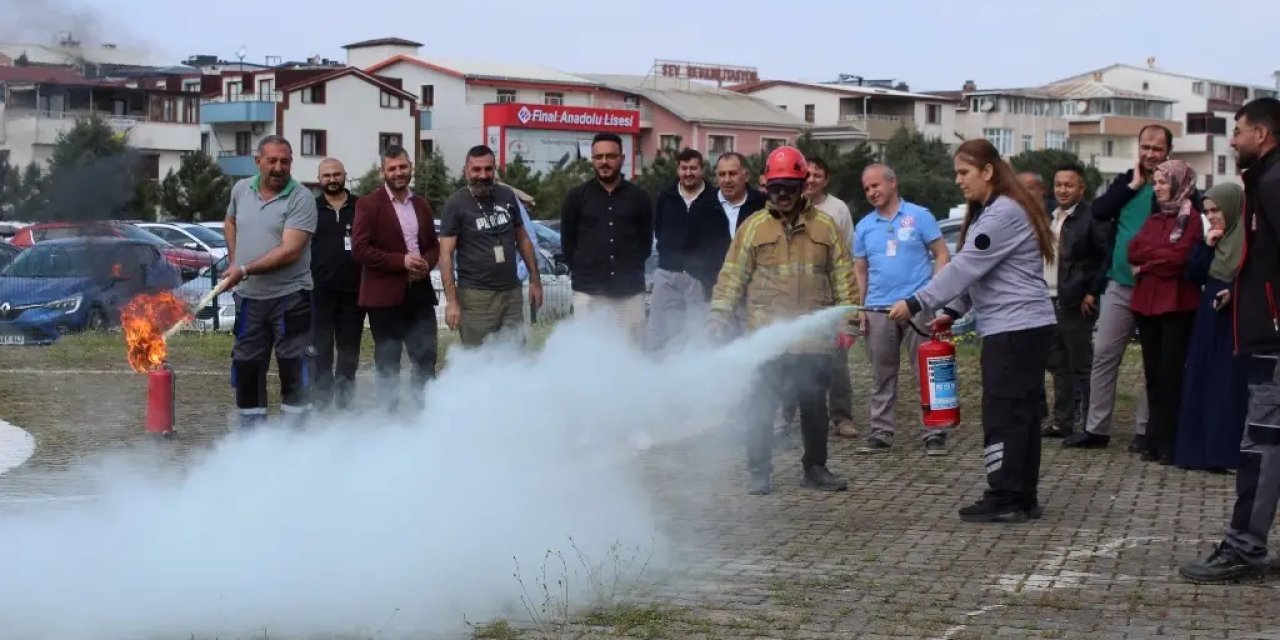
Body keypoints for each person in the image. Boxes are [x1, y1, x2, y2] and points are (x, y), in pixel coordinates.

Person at [888, 139, 1056, 523]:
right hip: (1024, 327)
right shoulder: (997, 211)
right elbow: (983, 276)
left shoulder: (1002, 214)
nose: (959, 182)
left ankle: (1006, 496)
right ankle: (1022, 496)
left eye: (964, 173)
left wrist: (916, 302)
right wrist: (951, 310)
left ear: (988, 171)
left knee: (1006, 413)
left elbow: (964, 267)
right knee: (1022, 414)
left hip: (1015, 330)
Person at [707, 145, 856, 496]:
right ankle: (759, 471)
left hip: (814, 339)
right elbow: (731, 277)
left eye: (790, 186)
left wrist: (849, 323)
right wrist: (718, 316)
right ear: (766, 187)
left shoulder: (827, 227)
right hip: (767, 339)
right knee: (761, 405)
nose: (783, 194)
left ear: (804, 184)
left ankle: (815, 468)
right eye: (776, 188)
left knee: (814, 406)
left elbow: (844, 278)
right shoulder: (753, 228)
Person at [1180, 97, 1280, 584]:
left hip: (1274, 340)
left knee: (1260, 443)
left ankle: (1244, 546)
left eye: (1238, 131)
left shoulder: (1275, 182)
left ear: (1262, 134)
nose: (1234, 140)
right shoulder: (1263, 181)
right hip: (1266, 333)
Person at [1063, 126, 1172, 451]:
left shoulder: (1177, 182)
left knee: (1152, 361)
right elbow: (1099, 211)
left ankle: (1145, 431)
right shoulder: (1126, 180)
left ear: (1168, 151)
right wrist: (1133, 185)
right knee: (1105, 355)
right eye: (1145, 147)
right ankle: (1096, 429)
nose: (1150, 154)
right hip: (1120, 283)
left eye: (1157, 148)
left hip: (1157, 287)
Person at [221, 135, 318, 428]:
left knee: (294, 364)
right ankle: (252, 436)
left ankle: (295, 437)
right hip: (249, 298)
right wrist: (234, 259)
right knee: (247, 365)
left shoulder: (301, 198)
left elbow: (290, 250)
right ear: (258, 162)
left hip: (291, 297)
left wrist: (245, 269)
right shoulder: (241, 189)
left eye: (285, 161)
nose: (278, 167)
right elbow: (231, 220)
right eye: (272, 160)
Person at [853, 163, 951, 453]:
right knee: (882, 373)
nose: (872, 192)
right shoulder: (864, 226)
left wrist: (930, 295)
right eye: (867, 188)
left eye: (876, 185)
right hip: (878, 309)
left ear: (892, 183)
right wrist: (861, 308)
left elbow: (942, 254)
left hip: (917, 308)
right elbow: (860, 270)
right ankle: (881, 431)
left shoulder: (919, 216)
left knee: (926, 370)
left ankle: (935, 431)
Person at [351, 145, 440, 411]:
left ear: (410, 166)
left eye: (403, 167)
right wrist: (400, 261)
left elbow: (434, 246)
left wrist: (426, 264)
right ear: (383, 172)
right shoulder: (368, 205)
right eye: (392, 168)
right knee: (388, 361)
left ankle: (423, 413)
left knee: (426, 358)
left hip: (419, 293)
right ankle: (389, 420)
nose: (398, 172)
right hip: (384, 296)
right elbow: (360, 249)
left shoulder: (421, 204)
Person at [1127, 159, 1203, 464]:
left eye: (1162, 182)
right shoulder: (1155, 219)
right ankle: (1154, 438)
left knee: (1172, 375)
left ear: (1179, 183)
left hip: (1176, 305)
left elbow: (1180, 259)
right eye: (1155, 182)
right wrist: (1155, 258)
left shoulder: (1192, 219)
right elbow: (1132, 250)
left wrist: (1146, 264)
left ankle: (1169, 441)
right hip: (1147, 305)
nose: (1157, 187)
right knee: (1153, 375)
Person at [1175, 182, 1248, 471]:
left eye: (1217, 210)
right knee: (1202, 377)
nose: (1213, 216)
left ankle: (1224, 453)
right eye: (1207, 211)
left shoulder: (1249, 239)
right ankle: (1198, 452)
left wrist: (1234, 291)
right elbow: (1193, 273)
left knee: (1227, 383)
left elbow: (1255, 276)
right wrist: (1207, 244)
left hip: (1236, 318)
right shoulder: (1216, 239)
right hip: (1210, 316)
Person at [439, 145, 542, 347]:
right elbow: (445, 256)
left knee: (514, 355)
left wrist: (535, 281)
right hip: (476, 298)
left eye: (488, 169)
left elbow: (523, 240)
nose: (483, 175)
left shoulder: (507, 196)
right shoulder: (455, 204)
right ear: (466, 171)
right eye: (476, 169)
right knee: (478, 360)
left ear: (495, 169)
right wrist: (451, 301)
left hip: (511, 293)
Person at [560, 132, 653, 343]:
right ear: (592, 160)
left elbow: (645, 244)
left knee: (632, 355)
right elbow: (568, 243)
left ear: (622, 158)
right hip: (589, 293)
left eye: (610, 156)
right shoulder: (575, 198)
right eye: (599, 157)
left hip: (630, 294)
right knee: (589, 356)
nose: (604, 162)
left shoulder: (640, 198)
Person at [1041, 164, 1110, 438]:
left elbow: (1102, 257)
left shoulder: (1091, 217)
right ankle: (1062, 421)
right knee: (1058, 364)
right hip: (1047, 299)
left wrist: (1092, 292)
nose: (1062, 190)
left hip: (1076, 300)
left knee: (1082, 365)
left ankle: (1091, 424)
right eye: (1058, 184)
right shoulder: (1048, 215)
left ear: (1081, 188)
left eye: (1069, 185)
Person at [647, 148, 721, 352]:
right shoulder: (666, 195)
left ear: (702, 169)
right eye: (684, 168)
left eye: (693, 168)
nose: (688, 173)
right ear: (678, 169)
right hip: (667, 273)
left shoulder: (715, 198)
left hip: (699, 278)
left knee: (698, 332)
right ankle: (657, 372)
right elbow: (659, 228)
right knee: (659, 330)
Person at [804, 157, 858, 436]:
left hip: (831, 295)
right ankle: (790, 417)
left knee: (837, 358)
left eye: (817, 175)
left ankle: (841, 417)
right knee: (794, 357)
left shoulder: (838, 209)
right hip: (800, 295)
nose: (811, 179)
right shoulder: (789, 204)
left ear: (825, 179)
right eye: (807, 174)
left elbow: (848, 254)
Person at [310, 157, 364, 411]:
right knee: (320, 350)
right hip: (318, 291)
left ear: (345, 176)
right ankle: (322, 401)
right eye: (326, 175)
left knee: (349, 350)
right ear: (319, 180)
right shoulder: (310, 208)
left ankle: (345, 402)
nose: (332, 179)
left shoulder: (361, 207)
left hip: (354, 291)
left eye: (336, 174)